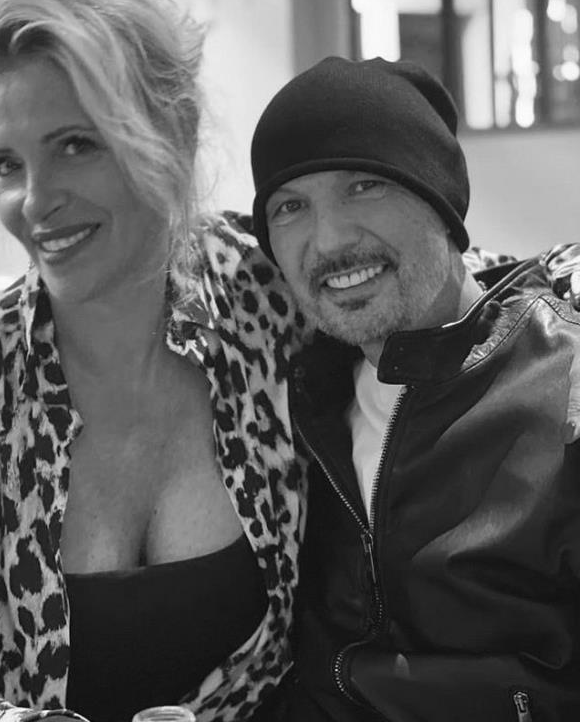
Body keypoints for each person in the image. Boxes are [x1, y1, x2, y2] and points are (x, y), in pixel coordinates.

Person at [0, 0, 306, 722]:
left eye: (76, 145)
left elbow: (467, 291)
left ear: (175, 134)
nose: (34, 199)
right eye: (4, 165)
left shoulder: (271, 296)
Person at [248, 55, 580, 721]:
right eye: (290, 207)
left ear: (441, 202)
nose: (329, 240)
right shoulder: (295, 394)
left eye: (365, 185)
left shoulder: (562, 388)